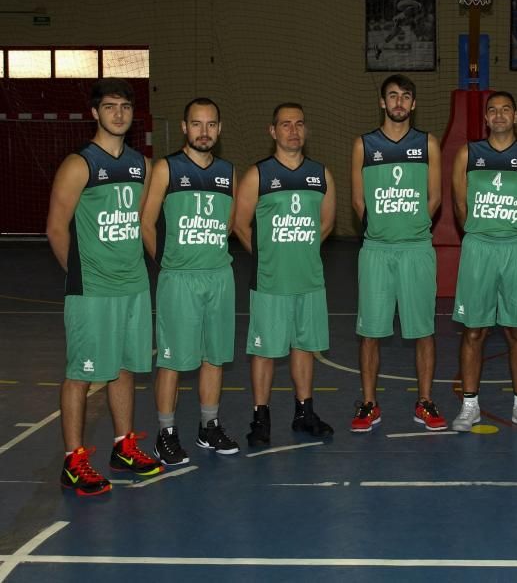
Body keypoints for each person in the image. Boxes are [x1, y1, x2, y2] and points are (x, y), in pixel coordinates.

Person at [47, 77, 164, 496]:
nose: (119, 113)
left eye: (125, 107)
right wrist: (81, 275)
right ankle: (74, 461)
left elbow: (140, 222)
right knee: (82, 374)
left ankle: (123, 446)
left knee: (125, 368)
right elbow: (56, 228)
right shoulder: (79, 164)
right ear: (95, 113)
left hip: (133, 286)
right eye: (110, 106)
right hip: (93, 290)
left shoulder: (141, 165)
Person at [140, 98, 239, 465]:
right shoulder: (166, 168)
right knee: (172, 360)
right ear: (184, 127)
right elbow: (145, 221)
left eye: (211, 124)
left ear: (219, 128)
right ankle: (165, 434)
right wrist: (166, 262)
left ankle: (208, 427)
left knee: (214, 357)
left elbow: (228, 224)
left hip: (218, 276)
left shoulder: (228, 171)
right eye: (197, 124)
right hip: (179, 279)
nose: (204, 131)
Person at [233, 103, 335, 446]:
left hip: (309, 280)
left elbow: (327, 223)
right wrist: (268, 257)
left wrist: (300, 251)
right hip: (270, 282)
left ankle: (304, 413)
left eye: (299, 124)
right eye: (286, 124)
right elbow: (239, 224)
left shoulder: (321, 174)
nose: (293, 130)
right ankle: (260, 418)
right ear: (272, 131)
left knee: (304, 348)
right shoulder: (258, 175)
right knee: (264, 351)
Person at [350, 75, 445, 432]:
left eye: (405, 97)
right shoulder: (363, 145)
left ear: (414, 104)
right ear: (382, 102)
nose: (399, 102)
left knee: (423, 330)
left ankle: (424, 401)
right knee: (370, 332)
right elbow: (358, 201)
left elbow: (435, 198)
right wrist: (381, 228)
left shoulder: (427, 144)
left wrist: (413, 225)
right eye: (393, 96)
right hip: (375, 251)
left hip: (416, 249)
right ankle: (369, 404)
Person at [450, 91, 517, 433]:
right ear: (486, 118)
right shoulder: (469, 154)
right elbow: (460, 207)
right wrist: (482, 233)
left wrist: (511, 234)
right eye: (493, 110)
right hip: (478, 248)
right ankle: (469, 405)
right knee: (473, 330)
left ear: (516, 115)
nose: (500, 115)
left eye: (506, 109)